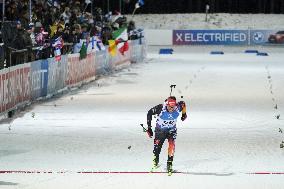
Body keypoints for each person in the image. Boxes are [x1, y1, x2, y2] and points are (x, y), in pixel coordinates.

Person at [146, 96, 187, 175]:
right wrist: (149, 128)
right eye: (170, 107)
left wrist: (184, 114)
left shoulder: (178, 107)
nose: (171, 109)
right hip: (160, 131)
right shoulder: (160, 108)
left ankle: (169, 164)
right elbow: (149, 113)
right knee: (157, 147)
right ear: (167, 105)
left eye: (173, 107)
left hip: (171, 130)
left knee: (172, 145)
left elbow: (183, 104)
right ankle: (155, 162)